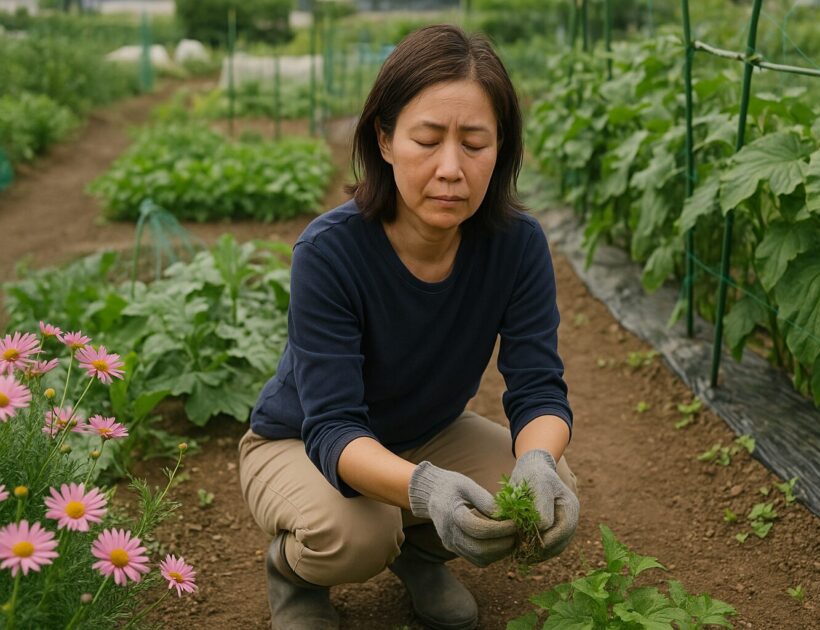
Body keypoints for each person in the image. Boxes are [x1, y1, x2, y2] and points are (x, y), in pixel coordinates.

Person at [238, 23, 580, 630]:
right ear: (386, 139)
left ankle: (421, 558)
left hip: (424, 432)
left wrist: (540, 464)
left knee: (536, 480)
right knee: (359, 533)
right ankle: (292, 573)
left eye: (475, 143)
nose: (451, 168)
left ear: (501, 149)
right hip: (300, 441)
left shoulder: (515, 244)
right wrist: (427, 492)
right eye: (427, 139)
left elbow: (538, 390)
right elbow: (335, 427)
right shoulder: (329, 251)